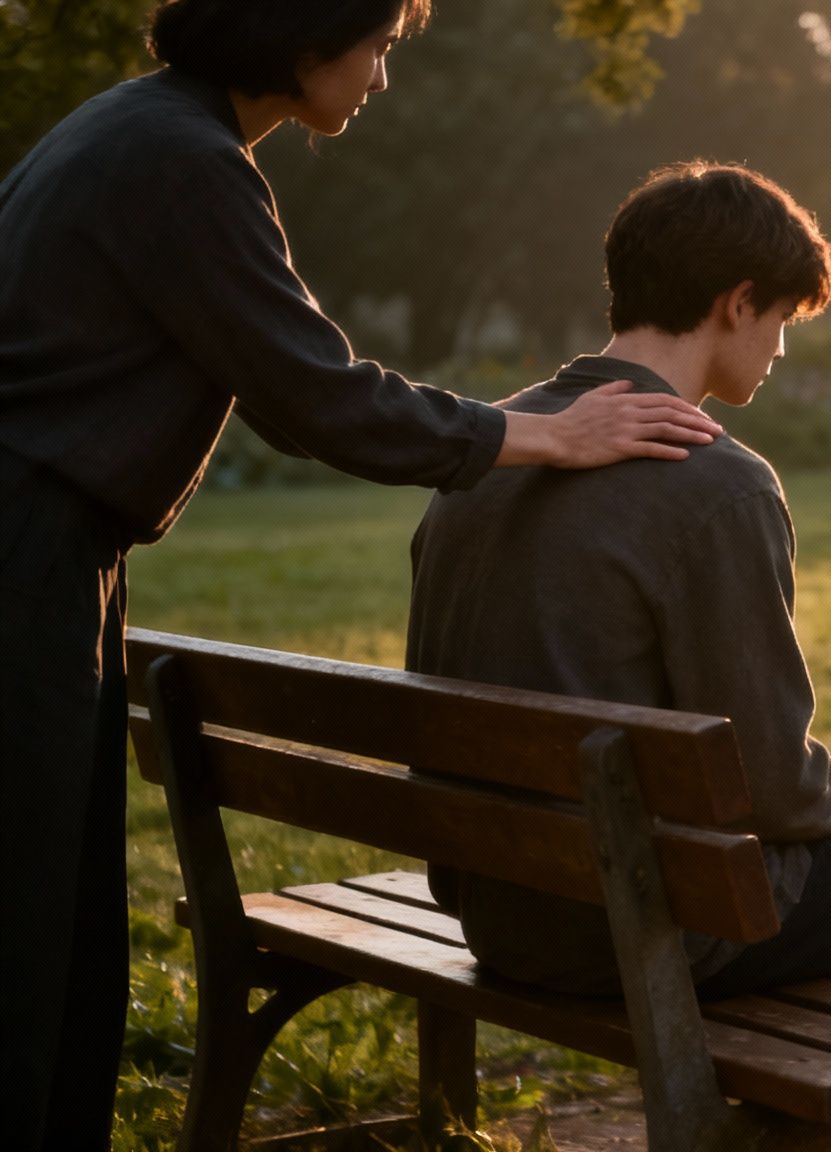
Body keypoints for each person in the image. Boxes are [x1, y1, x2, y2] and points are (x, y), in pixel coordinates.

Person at [0, 3, 724, 1146]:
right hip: (22, 552)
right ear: (302, 41)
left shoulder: (136, 134)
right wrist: (541, 436)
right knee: (27, 921)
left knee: (62, 909)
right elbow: (320, 395)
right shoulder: (184, 162)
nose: (384, 78)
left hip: (49, 548)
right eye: (379, 47)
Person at [406, 161, 831, 1151]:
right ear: (736, 303)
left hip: (502, 912)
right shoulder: (715, 482)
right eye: (782, 321)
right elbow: (771, 785)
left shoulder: (498, 447)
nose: (780, 349)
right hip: (629, 928)